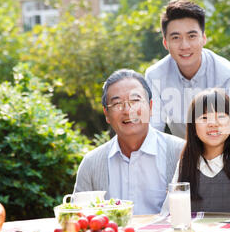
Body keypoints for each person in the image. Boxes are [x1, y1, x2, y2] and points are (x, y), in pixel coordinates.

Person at [73, 69, 185, 215]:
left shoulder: (181, 153)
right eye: (117, 103)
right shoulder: (92, 163)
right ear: (106, 114)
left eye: (135, 101)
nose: (127, 110)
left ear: (151, 107)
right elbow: (79, 219)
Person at [145, 0, 230, 146]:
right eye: (176, 38)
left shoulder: (227, 75)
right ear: (165, 43)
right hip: (183, 151)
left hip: (226, 148)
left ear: (203, 38)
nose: (185, 46)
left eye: (192, 36)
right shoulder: (155, 75)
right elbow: (153, 130)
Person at [162, 88, 230, 213]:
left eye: (221, 116)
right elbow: (169, 211)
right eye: (204, 118)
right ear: (193, 127)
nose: (213, 123)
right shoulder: (185, 163)